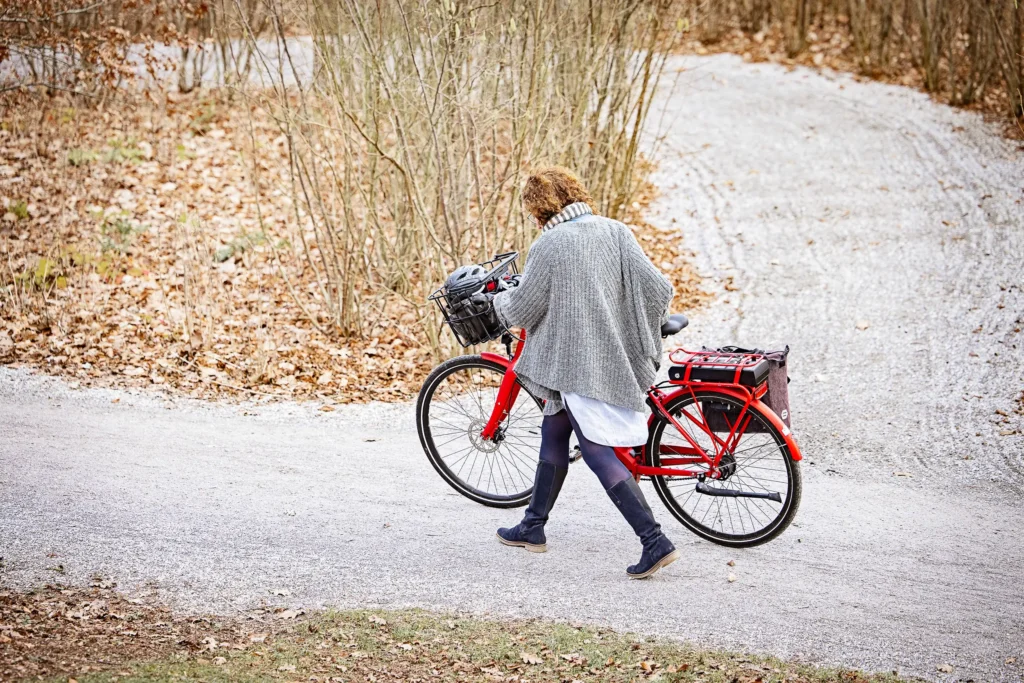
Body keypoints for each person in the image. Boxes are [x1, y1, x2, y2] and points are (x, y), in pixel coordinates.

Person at [490, 166, 679, 579]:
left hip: (579, 363)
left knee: (595, 450)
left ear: (539, 208)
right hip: (609, 355)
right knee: (554, 430)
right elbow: (658, 288)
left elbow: (524, 309)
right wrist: (633, 322)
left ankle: (654, 540)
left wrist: (499, 305)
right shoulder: (615, 230)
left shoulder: (549, 246)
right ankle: (532, 525)